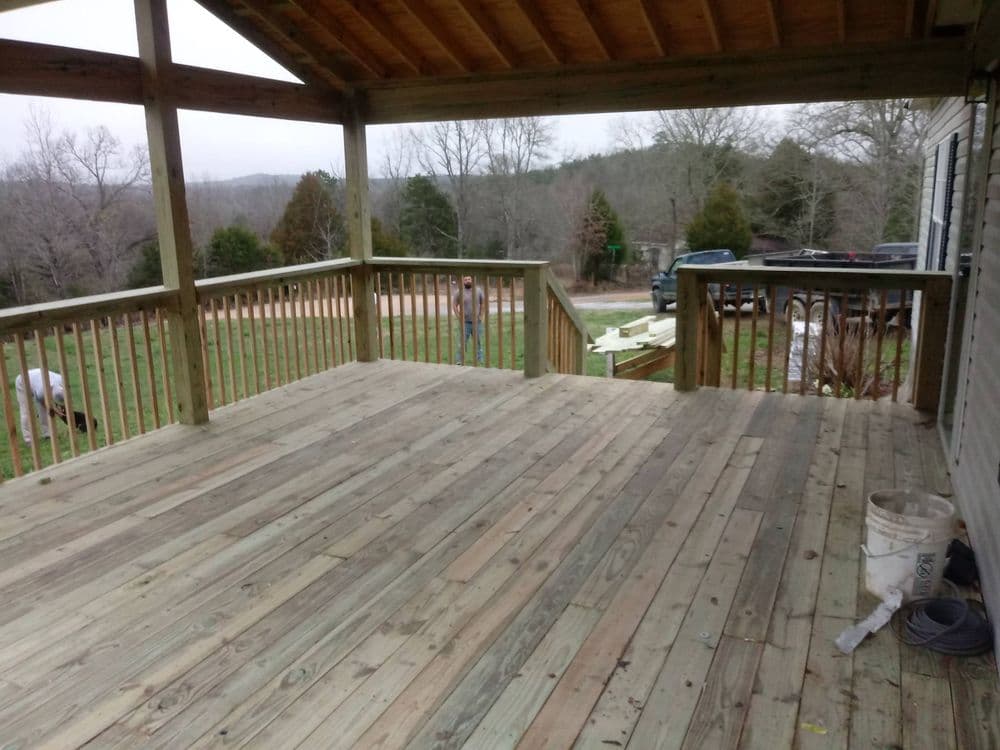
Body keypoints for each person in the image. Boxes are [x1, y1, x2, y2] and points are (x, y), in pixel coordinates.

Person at [14, 368, 94, 444]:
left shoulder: (62, 381)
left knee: (47, 410)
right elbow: (40, 400)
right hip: (23, 382)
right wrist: (53, 408)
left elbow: (66, 399)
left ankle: (48, 435)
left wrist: (64, 409)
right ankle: (29, 440)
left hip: (38, 378)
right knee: (26, 411)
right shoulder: (42, 391)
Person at [453, 275, 485, 364]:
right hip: (465, 323)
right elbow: (454, 305)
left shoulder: (478, 291)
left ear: (472, 280)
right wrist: (458, 316)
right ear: (463, 281)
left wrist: (481, 316)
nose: (467, 281)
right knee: (462, 342)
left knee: (478, 342)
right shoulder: (459, 292)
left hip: (476, 322)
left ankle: (480, 359)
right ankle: (459, 360)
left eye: (469, 279)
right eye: (465, 279)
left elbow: (482, 303)